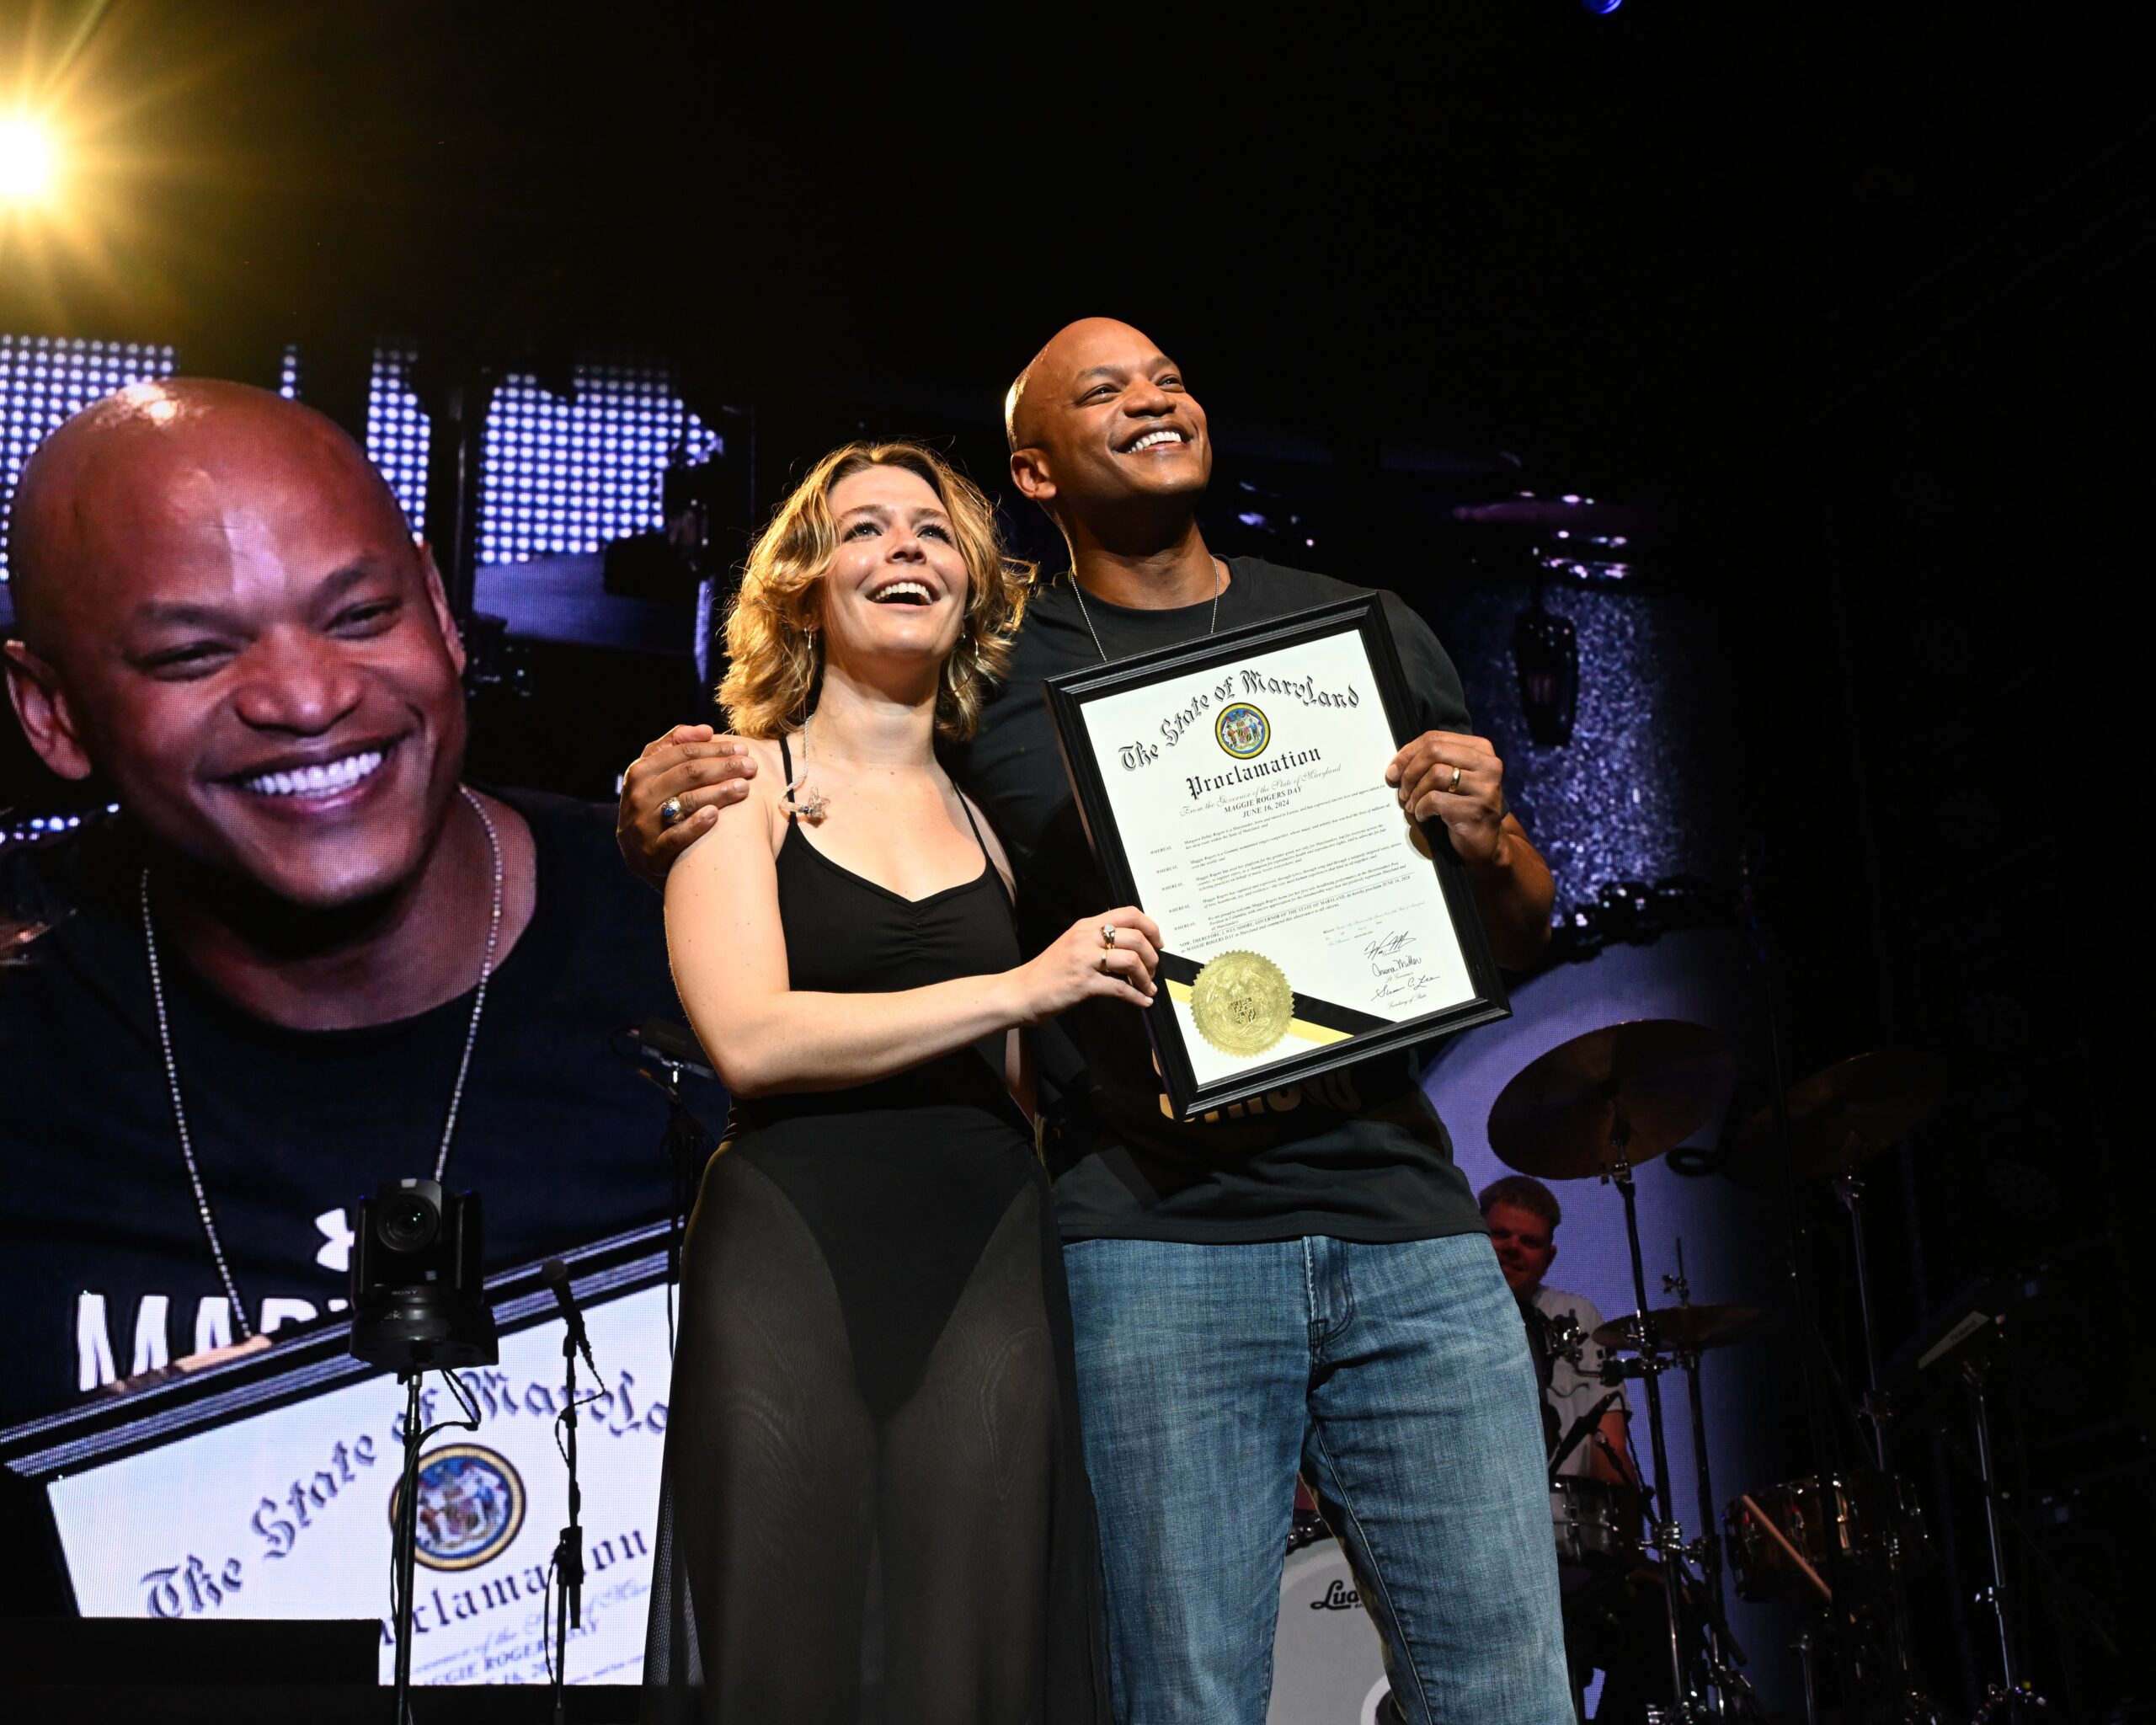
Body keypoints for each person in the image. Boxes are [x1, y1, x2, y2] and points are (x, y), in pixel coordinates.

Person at [621, 319, 1572, 1724]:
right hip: (1155, 1242)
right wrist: (659, 793)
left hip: (1401, 1225)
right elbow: (824, 799)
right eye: (1104, 391)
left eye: (1172, 377)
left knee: (1508, 1695)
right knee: (1167, 1698)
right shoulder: (991, 684)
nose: (1153, 399)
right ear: (1038, 471)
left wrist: (1491, 839)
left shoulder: (1364, 629)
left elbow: (1511, 923)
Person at [0, 379, 715, 1430]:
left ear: (438, 609)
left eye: (362, 615)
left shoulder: (710, 944)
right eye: (193, 653)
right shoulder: (27, 1010)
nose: (305, 697)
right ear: (52, 712)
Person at [642, 441, 1139, 1722]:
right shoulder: (731, 779)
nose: (905, 547)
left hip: (985, 1246)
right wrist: (1024, 984)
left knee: (969, 1653)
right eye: (864, 529)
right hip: (792, 1239)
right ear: (806, 585)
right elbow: (751, 1040)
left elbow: (1023, 1085)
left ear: (973, 587)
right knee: (784, 1648)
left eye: (932, 531)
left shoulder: (993, 820)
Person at [1481, 1174, 1635, 1488]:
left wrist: (1624, 1528)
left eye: (1530, 1242)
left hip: (1570, 1525)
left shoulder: (1579, 1316)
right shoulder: (1441, 1314)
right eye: (1500, 1234)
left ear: (1549, 1258)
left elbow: (1609, 1445)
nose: (1513, 1248)